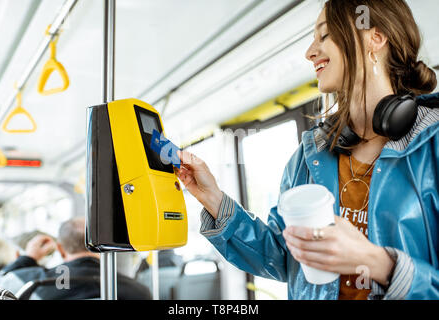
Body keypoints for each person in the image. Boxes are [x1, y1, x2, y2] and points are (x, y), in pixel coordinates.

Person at [175, 0, 438, 300]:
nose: (309, 52)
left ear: (374, 37)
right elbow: (283, 257)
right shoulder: (310, 155)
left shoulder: (433, 145)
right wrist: (212, 198)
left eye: (324, 35)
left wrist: (379, 264)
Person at [0, 217, 151, 300]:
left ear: (60, 249)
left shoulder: (27, 282)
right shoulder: (138, 291)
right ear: (104, 246)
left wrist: (28, 258)